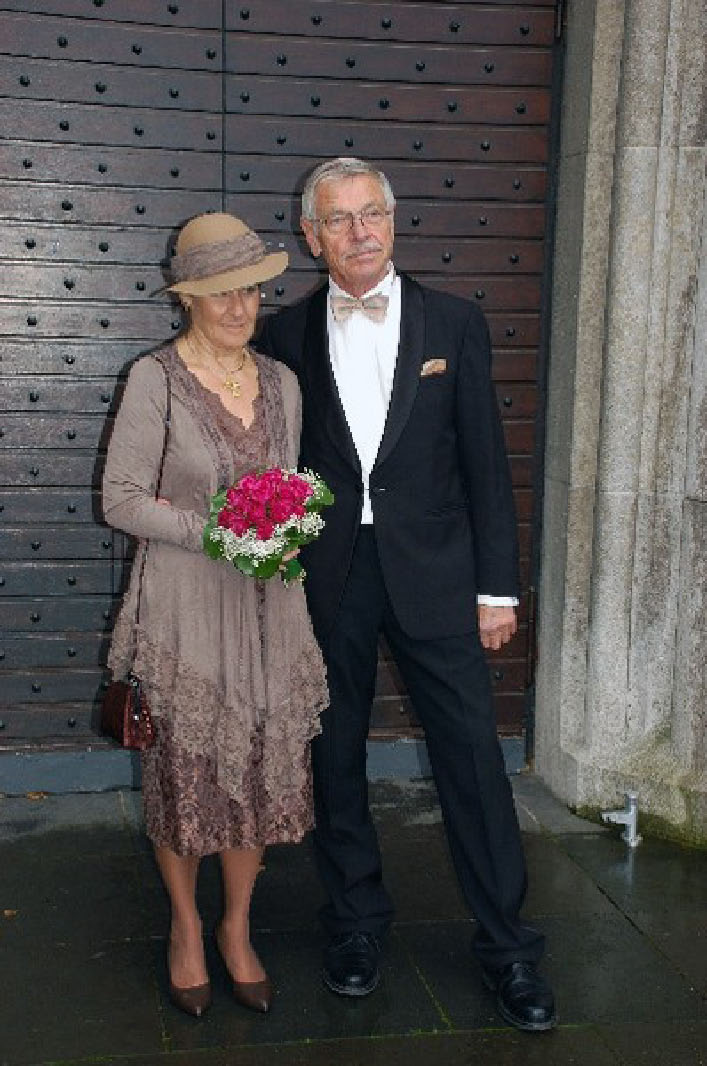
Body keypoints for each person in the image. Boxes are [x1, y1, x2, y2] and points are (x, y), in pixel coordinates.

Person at [258, 158, 556, 1031]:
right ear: (311, 236)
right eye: (339, 219)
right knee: (334, 752)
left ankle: (508, 949)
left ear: (392, 221)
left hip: (438, 575)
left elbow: (485, 464)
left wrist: (497, 589)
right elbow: (276, 463)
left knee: (471, 758)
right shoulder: (284, 334)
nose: (360, 232)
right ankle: (354, 923)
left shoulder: (454, 321)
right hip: (330, 577)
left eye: (372, 213)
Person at [102, 212, 328, 1018]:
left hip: (270, 607)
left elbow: (289, 486)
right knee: (185, 774)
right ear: (188, 298)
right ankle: (186, 928)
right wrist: (218, 534)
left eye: (252, 291)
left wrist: (291, 524)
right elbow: (121, 499)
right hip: (185, 605)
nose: (240, 308)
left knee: (258, 771)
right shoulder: (155, 380)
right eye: (222, 293)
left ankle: (236, 926)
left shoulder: (282, 383)